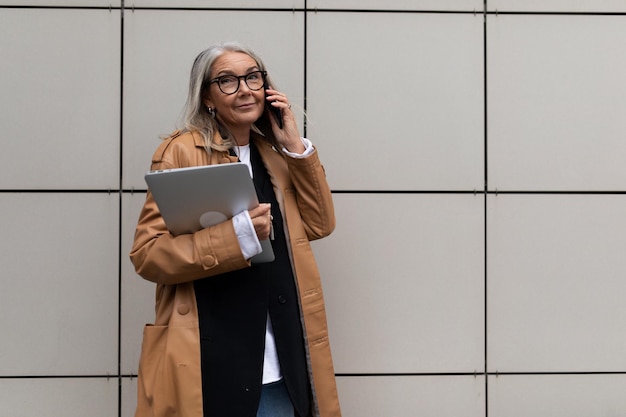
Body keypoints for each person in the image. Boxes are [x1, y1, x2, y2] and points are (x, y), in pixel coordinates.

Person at [130, 42, 342, 417]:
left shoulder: (276, 155)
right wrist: (237, 236)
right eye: (227, 80)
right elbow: (148, 255)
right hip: (214, 361)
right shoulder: (180, 152)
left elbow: (320, 223)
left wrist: (295, 147)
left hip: (281, 363)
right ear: (207, 96)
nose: (245, 88)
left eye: (252, 77)